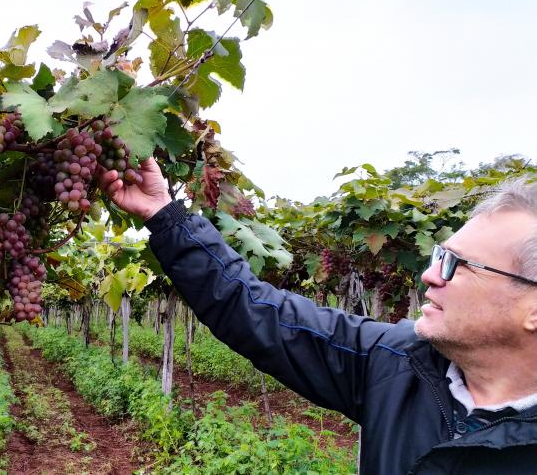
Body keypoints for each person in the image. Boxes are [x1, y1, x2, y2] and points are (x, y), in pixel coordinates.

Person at [98, 159, 537, 474]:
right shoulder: (395, 363)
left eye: (456, 265)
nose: (428, 275)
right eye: (439, 255)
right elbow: (255, 310)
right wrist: (164, 215)